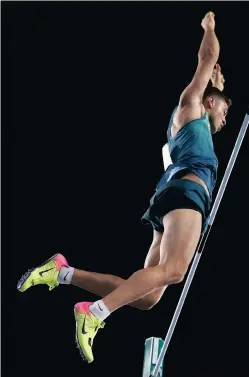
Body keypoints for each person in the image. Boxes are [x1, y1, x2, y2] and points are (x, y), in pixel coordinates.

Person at [17, 11, 231, 363]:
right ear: (209, 101)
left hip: (173, 199)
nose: (226, 119)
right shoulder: (190, 106)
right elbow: (208, 58)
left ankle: (62, 272)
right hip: (185, 197)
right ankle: (95, 312)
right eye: (224, 109)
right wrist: (209, 29)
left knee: (147, 296)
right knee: (175, 270)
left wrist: (218, 90)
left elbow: (212, 102)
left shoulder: (197, 128)